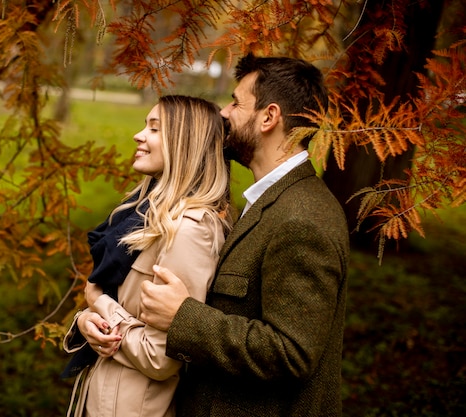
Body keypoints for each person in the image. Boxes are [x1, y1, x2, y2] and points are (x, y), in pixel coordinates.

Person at [139, 55, 350, 416]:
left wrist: (183, 317)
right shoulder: (272, 200)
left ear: (269, 117)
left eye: (237, 103)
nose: (224, 113)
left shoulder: (301, 219)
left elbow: (291, 353)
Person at [62, 95, 232, 417]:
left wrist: (99, 302)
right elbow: (124, 307)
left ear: (184, 143)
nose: (138, 135)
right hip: (104, 393)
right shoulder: (144, 213)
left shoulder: (189, 231)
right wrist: (86, 320)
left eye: (154, 129)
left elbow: (161, 357)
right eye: (144, 125)